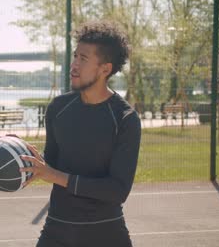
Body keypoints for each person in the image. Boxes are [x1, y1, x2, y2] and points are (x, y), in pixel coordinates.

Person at [20, 21, 141, 247]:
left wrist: (54, 175)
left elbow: (117, 190)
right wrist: (26, 162)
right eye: (75, 56)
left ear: (105, 68)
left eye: (83, 59)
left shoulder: (125, 119)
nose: (74, 64)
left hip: (106, 233)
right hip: (57, 230)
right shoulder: (58, 108)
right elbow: (52, 164)